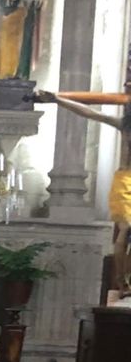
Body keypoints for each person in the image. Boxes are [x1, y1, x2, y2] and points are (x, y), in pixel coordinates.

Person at [33, 90, 131, 298]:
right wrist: (58, 100)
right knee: (127, 227)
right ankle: (121, 279)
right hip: (125, 183)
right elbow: (89, 112)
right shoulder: (124, 126)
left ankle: (128, 280)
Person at [0, 0, 46, 79]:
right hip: (11, 18)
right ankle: (6, 73)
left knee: (23, 46)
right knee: (8, 45)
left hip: (24, 19)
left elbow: (37, 1)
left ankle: (21, 73)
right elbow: (2, 1)